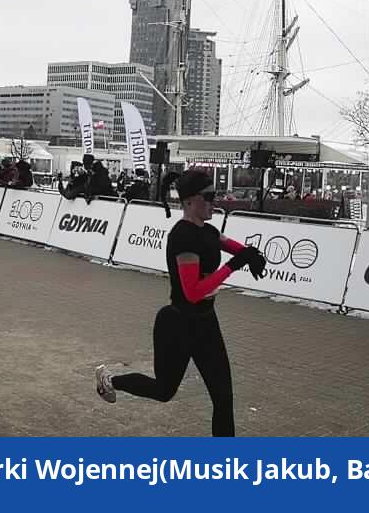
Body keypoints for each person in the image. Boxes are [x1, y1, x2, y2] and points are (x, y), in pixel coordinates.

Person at [94, 169, 265, 437]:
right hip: (178, 324)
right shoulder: (183, 237)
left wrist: (250, 254)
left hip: (206, 322)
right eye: (208, 196)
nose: (214, 202)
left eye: (215, 195)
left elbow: (233, 247)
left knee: (223, 398)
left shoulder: (209, 231)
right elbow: (193, 293)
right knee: (164, 391)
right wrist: (233, 265)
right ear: (189, 201)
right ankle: (109, 381)